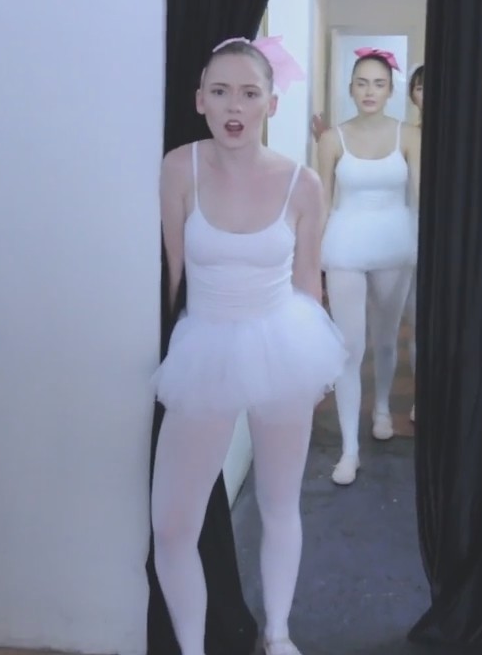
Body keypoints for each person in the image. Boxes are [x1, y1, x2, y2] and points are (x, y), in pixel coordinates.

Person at [151, 35, 348, 655]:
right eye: (220, 91)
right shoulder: (179, 167)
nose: (234, 106)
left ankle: (278, 634)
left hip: (282, 343)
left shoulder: (302, 183)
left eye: (249, 93)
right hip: (204, 348)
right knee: (172, 525)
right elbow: (171, 277)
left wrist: (317, 372)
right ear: (200, 100)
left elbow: (308, 284)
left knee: (280, 502)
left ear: (271, 103)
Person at [316, 47, 421, 486]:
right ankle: (349, 449)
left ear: (391, 89)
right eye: (362, 83)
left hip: (396, 246)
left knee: (385, 338)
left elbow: (420, 197)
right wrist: (311, 254)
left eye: (378, 83)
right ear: (351, 88)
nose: (369, 91)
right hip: (345, 246)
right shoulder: (331, 139)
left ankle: (381, 409)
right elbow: (323, 200)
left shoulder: (409, 135)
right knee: (349, 347)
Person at [402, 65, 423, 423]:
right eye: (419, 87)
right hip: (409, 231)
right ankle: (422, 395)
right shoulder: (404, 135)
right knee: (418, 319)